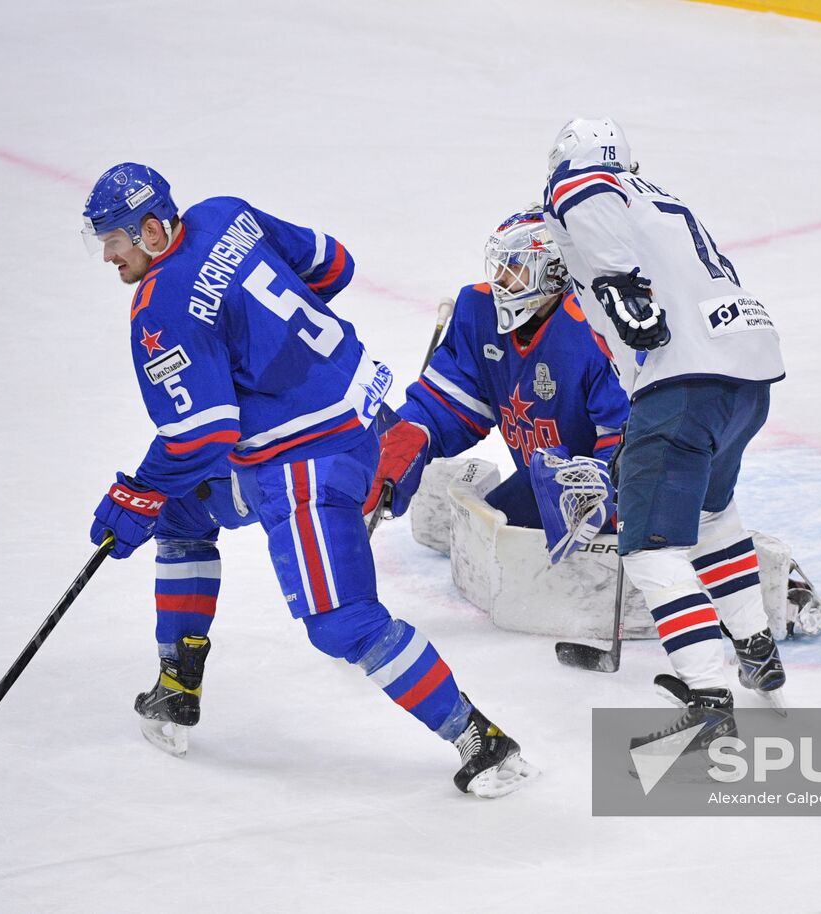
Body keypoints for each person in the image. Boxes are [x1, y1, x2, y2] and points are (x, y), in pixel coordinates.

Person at [81, 162, 536, 797]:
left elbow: (202, 433)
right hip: (375, 417)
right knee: (182, 513)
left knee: (342, 623)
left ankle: (483, 744)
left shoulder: (159, 309)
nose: (106, 254)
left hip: (309, 467)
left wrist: (135, 492)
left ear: (153, 230)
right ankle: (176, 685)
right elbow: (334, 266)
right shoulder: (222, 212)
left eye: (115, 238)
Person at [540, 119, 789, 740]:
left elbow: (582, 194)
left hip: (686, 381)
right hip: (747, 376)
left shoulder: (588, 188)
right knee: (711, 519)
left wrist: (621, 286)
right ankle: (757, 653)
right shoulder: (661, 201)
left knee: (649, 547)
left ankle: (710, 700)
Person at [364, 209, 630, 563]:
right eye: (500, 267)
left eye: (515, 268)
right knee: (490, 531)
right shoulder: (480, 312)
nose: (501, 280)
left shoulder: (594, 327)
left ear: (554, 271)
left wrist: (606, 501)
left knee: (499, 542)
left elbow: (629, 436)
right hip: (543, 486)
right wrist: (412, 432)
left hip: (602, 493)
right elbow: (448, 403)